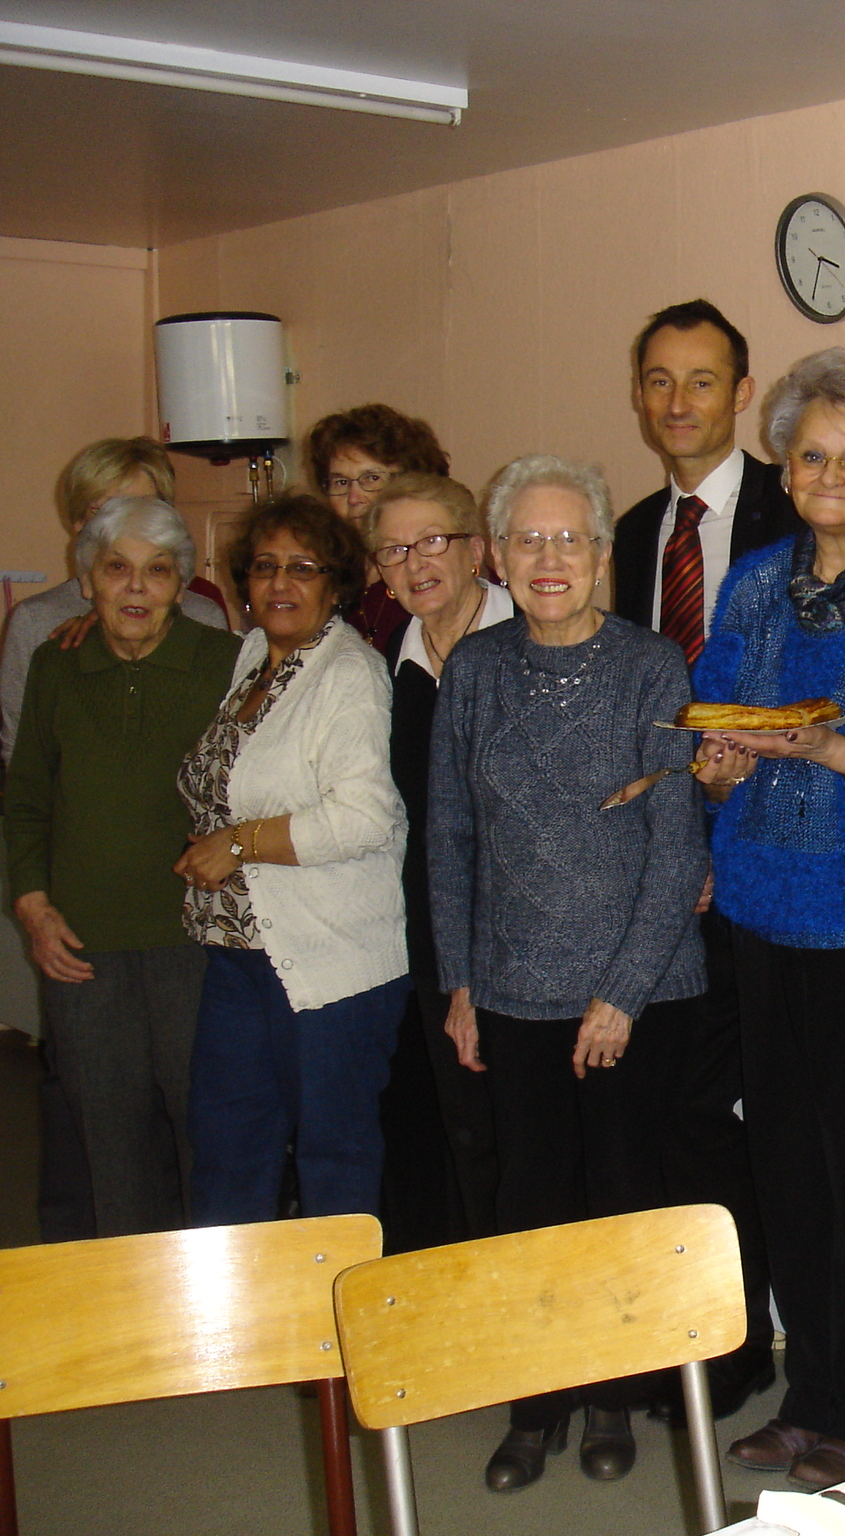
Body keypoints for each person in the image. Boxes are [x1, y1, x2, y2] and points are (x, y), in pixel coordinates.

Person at [429, 454, 708, 1494]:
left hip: (633, 991)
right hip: (508, 989)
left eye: (570, 540)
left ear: (602, 554)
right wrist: (458, 977)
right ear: (499, 558)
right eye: (528, 540)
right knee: (527, 1202)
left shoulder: (650, 669)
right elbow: (450, 835)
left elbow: (678, 849)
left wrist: (618, 996)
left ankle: (609, 1398)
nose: (550, 559)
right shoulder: (476, 669)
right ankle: (533, 1404)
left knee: (620, 1197)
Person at [692, 349, 845, 1490]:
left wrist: (820, 745)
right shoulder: (751, 582)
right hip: (757, 912)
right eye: (810, 455)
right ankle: (812, 1390)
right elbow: (713, 734)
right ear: (783, 468)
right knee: (787, 1169)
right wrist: (723, 762)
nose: (829, 474)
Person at [610, 298, 799, 1418]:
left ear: (741, 392)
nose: (678, 402)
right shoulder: (635, 530)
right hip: (665, 870)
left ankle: (777, 1346)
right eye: (657, 380)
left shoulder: (803, 500)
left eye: (701, 380)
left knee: (766, 1116)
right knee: (679, 1113)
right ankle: (706, 1360)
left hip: (772, 863)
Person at [0, 435, 228, 1244]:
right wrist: (32, 905)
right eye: (116, 569)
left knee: (208, 1126)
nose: (136, 586)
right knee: (107, 1130)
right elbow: (25, 800)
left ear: (181, 580)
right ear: (85, 579)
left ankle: (218, 1299)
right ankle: (136, 1302)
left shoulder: (225, 660)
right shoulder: (54, 664)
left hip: (194, 938)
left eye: (158, 569)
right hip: (80, 941)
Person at [178, 494, 410, 1227]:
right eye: (266, 566)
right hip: (239, 956)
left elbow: (364, 816)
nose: (280, 583)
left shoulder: (349, 674)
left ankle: (334, 1327)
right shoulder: (251, 659)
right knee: (227, 1150)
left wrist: (238, 843)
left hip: (327, 966)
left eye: (302, 568)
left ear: (336, 585)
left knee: (332, 1162)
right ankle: (236, 1329)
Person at [364, 473, 511, 1250]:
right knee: (465, 1137)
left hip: (540, 935)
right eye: (393, 550)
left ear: (478, 548)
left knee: (533, 1140)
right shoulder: (384, 664)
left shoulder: (541, 635)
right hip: (434, 933)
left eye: (433, 541)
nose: (415, 563)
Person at [0, 437, 227, 756]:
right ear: (79, 524)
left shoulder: (203, 616)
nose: (128, 525)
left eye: (144, 509)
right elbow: (20, 750)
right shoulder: (35, 622)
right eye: (107, 510)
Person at [303, 403, 452, 648]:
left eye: (371, 478)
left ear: (411, 483)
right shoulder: (326, 571)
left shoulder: (437, 569)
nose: (354, 497)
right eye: (340, 482)